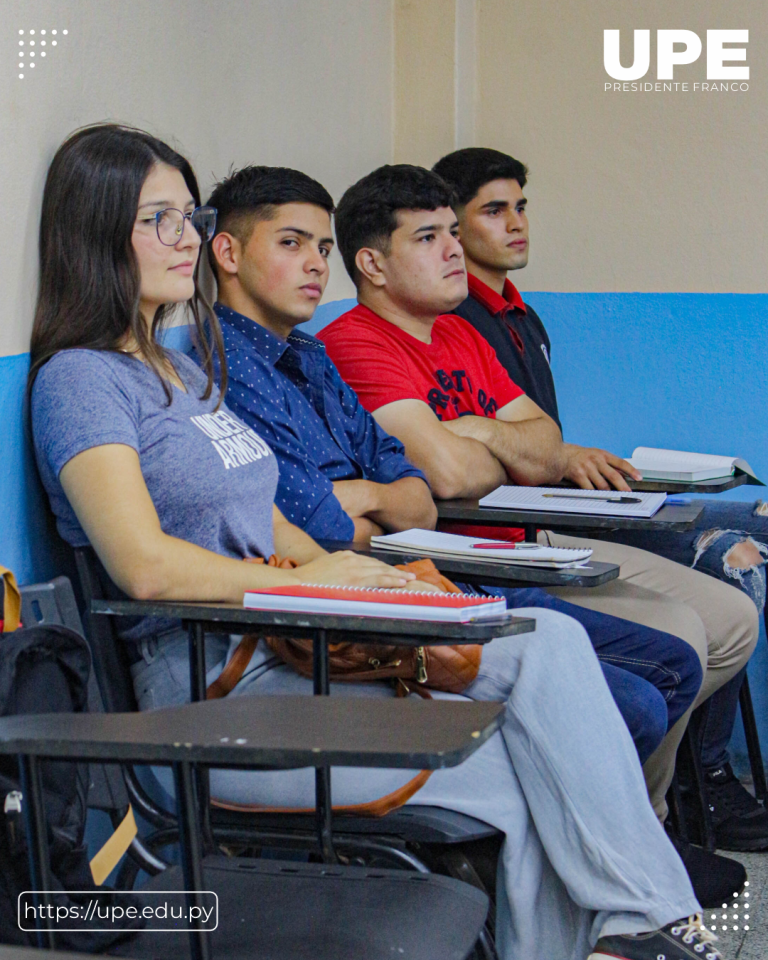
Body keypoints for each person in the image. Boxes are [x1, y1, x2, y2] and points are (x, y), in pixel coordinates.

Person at [28, 124, 724, 960]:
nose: (188, 239)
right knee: (531, 773)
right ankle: (643, 926)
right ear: (97, 230)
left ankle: (636, 928)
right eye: (160, 220)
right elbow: (143, 566)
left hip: (289, 641)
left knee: (550, 643)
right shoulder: (79, 379)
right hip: (210, 684)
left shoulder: (183, 369)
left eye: (190, 214)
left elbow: (274, 517)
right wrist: (316, 587)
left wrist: (347, 569)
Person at [318, 162, 752, 898]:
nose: (454, 249)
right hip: (472, 557)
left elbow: (544, 440)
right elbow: (451, 480)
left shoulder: (459, 332)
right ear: (372, 263)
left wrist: (474, 426)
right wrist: (496, 449)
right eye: (429, 237)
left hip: (534, 533)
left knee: (732, 618)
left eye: (454, 232)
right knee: (677, 636)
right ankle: (628, 831)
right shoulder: (356, 342)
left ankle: (631, 816)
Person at [200, 162, 702, 775]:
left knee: (670, 664)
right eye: (292, 243)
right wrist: (383, 496)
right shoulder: (230, 368)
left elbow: (421, 494)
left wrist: (380, 492)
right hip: (372, 594)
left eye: (322, 246)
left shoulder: (309, 352)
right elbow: (325, 522)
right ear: (226, 251)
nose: (315, 265)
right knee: (636, 702)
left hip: (424, 565)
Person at [432, 146, 768, 853]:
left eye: (521, 207)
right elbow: (495, 455)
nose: (517, 224)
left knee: (751, 519)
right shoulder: (457, 323)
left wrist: (574, 460)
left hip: (564, 496)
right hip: (538, 520)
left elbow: (544, 437)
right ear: (453, 228)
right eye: (494, 210)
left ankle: (687, 783)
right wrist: (544, 453)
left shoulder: (520, 317)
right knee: (733, 558)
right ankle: (702, 783)